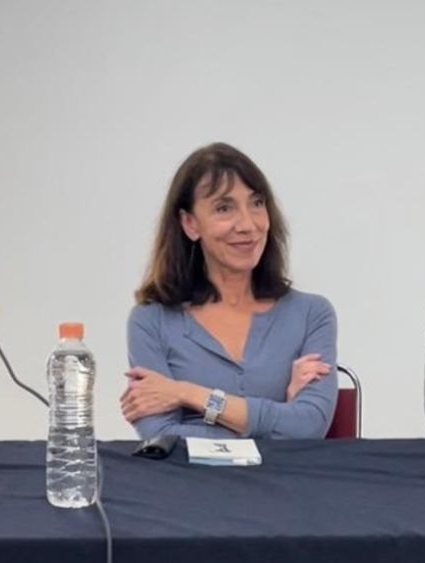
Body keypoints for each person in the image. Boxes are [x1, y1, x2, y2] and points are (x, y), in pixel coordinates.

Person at [122, 143, 337, 439]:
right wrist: (280, 417)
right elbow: (163, 438)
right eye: (224, 208)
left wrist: (186, 393)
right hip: (192, 474)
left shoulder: (312, 314)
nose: (248, 225)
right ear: (190, 224)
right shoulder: (151, 320)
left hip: (280, 475)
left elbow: (309, 427)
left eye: (256, 203)